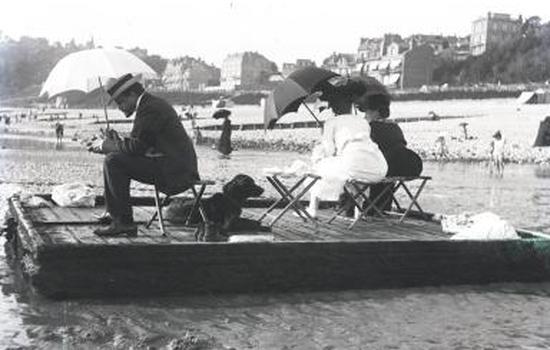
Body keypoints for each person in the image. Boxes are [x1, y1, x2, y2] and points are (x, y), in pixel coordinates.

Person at [87, 73, 199, 237]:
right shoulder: (151, 104)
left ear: (132, 94)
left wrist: (106, 145)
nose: (120, 107)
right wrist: (116, 141)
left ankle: (123, 221)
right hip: (175, 166)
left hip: (176, 173)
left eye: (121, 102)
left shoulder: (149, 108)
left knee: (113, 161)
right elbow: (143, 144)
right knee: (114, 159)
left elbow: (136, 148)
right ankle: (116, 214)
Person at [306, 78, 388, 218]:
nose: (331, 108)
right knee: (356, 173)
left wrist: (320, 151)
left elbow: (329, 152)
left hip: (354, 165)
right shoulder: (362, 121)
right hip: (378, 167)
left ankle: (312, 209)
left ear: (335, 107)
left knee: (318, 166)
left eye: (332, 106)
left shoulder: (331, 122)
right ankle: (358, 212)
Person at [353, 76, 423, 213]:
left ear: (372, 111)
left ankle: (353, 207)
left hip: (384, 168)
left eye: (366, 111)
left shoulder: (368, 128)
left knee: (354, 170)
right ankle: (380, 207)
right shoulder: (394, 126)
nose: (364, 114)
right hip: (405, 167)